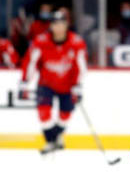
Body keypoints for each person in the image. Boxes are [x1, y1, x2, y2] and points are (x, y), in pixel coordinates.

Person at [19, 9, 86, 154]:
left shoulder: (77, 42)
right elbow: (30, 62)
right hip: (46, 83)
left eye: (62, 23)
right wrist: (25, 81)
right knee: (43, 113)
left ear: (67, 25)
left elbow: (81, 66)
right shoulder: (40, 41)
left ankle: (57, 136)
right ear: (51, 26)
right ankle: (50, 141)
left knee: (65, 115)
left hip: (67, 86)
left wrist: (78, 85)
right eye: (55, 24)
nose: (58, 27)